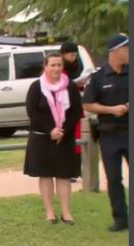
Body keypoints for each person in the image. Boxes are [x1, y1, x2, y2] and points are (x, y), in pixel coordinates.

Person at [23, 52, 82, 225]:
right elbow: (32, 111)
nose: (56, 68)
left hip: (64, 137)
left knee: (64, 175)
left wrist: (63, 130)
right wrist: (50, 129)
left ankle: (66, 213)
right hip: (42, 137)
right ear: (45, 67)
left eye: (59, 65)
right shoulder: (36, 86)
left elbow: (76, 111)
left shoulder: (70, 86)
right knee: (46, 174)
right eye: (53, 65)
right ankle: (50, 213)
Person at [83, 33, 129, 232]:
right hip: (109, 134)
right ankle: (120, 219)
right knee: (114, 178)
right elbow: (88, 104)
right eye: (127, 49)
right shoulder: (99, 76)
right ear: (116, 51)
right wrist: (112, 110)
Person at [60, 41, 86, 182]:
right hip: (63, 109)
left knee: (77, 140)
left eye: (75, 55)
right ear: (63, 55)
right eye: (71, 55)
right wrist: (71, 84)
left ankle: (76, 170)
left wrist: (80, 85)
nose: (73, 57)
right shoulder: (59, 68)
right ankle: (66, 170)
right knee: (65, 139)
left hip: (75, 107)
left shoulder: (77, 67)